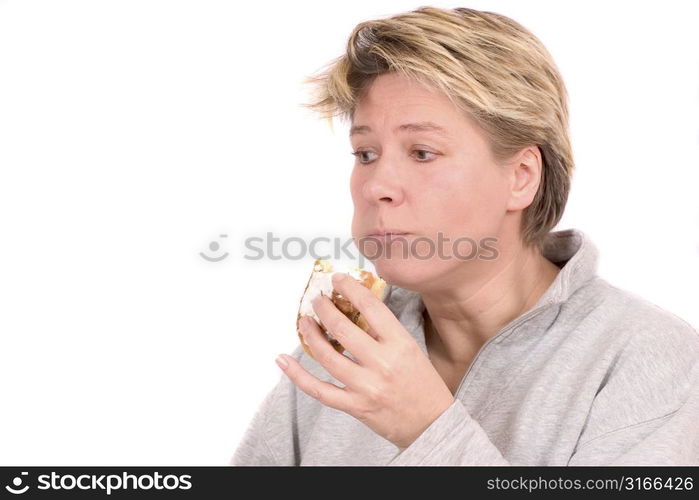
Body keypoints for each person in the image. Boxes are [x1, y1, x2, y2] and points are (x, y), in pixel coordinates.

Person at [230, 6, 699, 465]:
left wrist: (427, 430)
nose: (377, 187)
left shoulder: (647, 359)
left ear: (521, 177)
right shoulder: (343, 351)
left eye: (423, 152)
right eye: (366, 153)